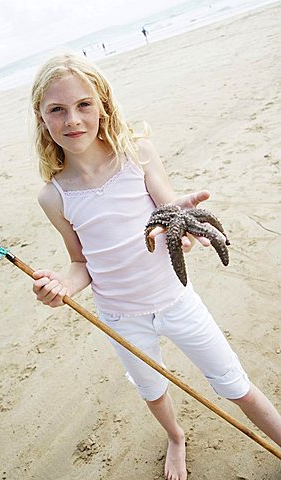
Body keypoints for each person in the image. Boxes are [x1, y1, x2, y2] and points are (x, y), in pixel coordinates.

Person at [30, 53, 281, 479]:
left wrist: (182, 220)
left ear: (103, 103)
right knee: (152, 388)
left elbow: (168, 210)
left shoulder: (137, 155)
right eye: (57, 109)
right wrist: (63, 287)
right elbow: (81, 263)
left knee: (234, 383)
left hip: (175, 299)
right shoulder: (54, 196)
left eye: (84, 104)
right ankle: (176, 437)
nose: (72, 119)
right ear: (41, 116)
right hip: (121, 316)